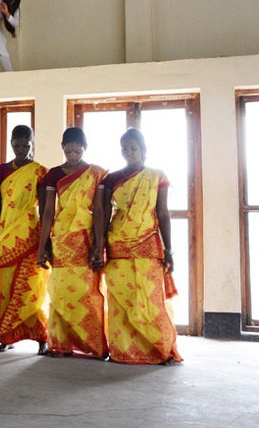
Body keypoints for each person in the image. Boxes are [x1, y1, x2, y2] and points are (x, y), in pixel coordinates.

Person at [98, 128, 182, 364]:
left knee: (148, 299)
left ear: (143, 150)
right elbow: (104, 214)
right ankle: (123, 350)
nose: (128, 152)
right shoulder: (112, 178)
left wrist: (169, 250)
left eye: (133, 148)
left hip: (147, 243)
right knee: (122, 300)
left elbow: (163, 214)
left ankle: (159, 349)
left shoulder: (157, 176)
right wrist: (100, 244)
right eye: (124, 148)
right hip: (118, 243)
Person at [38, 127, 108, 359]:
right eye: (69, 151)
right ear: (62, 149)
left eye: (77, 151)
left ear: (84, 148)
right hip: (61, 239)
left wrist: (99, 245)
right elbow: (48, 210)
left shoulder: (96, 173)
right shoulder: (54, 174)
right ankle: (60, 343)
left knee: (86, 292)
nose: (73, 156)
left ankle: (95, 346)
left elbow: (98, 210)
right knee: (59, 291)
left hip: (84, 237)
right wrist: (42, 244)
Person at [0, 125, 49, 353]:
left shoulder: (40, 171)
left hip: (30, 234)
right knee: (6, 288)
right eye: (16, 145)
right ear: (11, 143)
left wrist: (45, 241)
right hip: (6, 234)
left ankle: (42, 338)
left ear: (33, 143)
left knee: (32, 288)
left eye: (26, 145)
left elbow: (45, 207)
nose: (21, 149)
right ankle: (7, 338)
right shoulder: (1, 170)